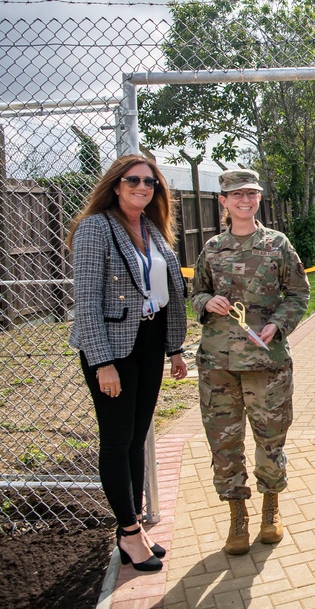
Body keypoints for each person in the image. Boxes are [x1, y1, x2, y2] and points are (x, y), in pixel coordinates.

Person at [68, 153, 188, 572]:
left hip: (149, 343)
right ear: (116, 185)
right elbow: (84, 301)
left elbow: (166, 291)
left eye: (150, 182)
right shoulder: (95, 228)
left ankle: (133, 525)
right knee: (117, 440)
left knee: (137, 438)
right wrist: (102, 362)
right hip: (112, 351)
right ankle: (129, 533)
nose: (142, 187)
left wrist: (174, 348)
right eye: (133, 180)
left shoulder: (153, 229)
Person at [190, 169, 310, 556]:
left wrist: (279, 323)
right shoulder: (211, 248)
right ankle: (237, 516)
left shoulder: (277, 244)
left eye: (251, 194)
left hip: (266, 364)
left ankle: (271, 509)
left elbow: (298, 293)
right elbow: (196, 294)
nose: (245, 200)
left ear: (259, 199)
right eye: (236, 195)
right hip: (218, 364)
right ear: (223, 202)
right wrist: (206, 302)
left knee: (270, 440)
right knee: (224, 443)